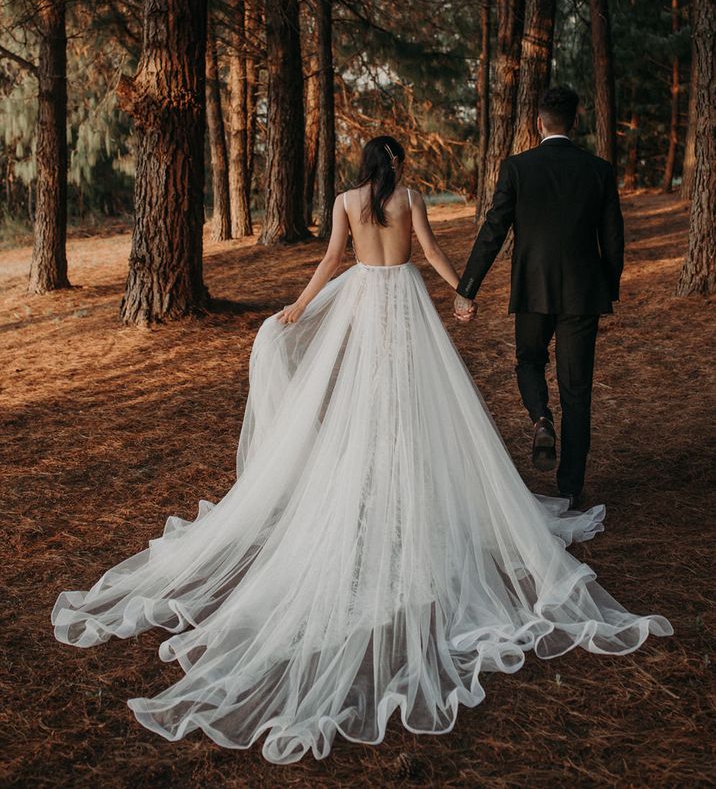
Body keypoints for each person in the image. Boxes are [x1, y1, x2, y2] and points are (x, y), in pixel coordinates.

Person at [52, 134, 669, 765]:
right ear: (396, 164)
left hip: (366, 304)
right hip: (403, 304)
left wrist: (298, 306)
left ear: (363, 166)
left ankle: (379, 486)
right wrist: (465, 290)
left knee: (367, 400)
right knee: (413, 400)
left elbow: (329, 265)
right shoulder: (411, 197)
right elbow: (427, 252)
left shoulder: (349, 201)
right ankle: (404, 488)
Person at [454, 86, 624, 508]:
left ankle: (540, 419)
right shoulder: (599, 170)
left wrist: (466, 289)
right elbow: (614, 241)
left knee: (529, 361)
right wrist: (606, 288)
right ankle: (570, 486)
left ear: (539, 122)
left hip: (532, 288)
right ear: (576, 121)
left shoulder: (517, 168)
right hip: (583, 294)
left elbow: (493, 231)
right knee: (577, 387)